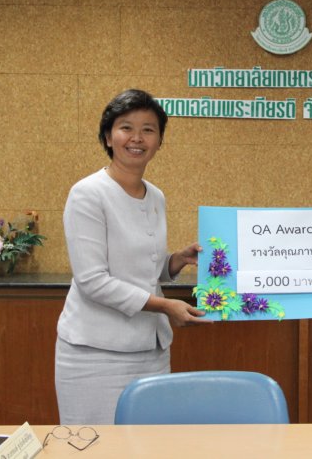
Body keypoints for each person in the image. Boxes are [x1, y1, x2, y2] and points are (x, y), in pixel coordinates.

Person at [55, 88, 211, 425]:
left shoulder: (155, 196)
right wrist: (166, 306)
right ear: (108, 137)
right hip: (96, 354)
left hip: (152, 351)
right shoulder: (88, 193)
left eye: (148, 129)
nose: (137, 138)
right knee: (96, 446)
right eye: (126, 127)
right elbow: (93, 281)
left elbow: (144, 268)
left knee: (148, 445)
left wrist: (176, 260)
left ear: (159, 141)